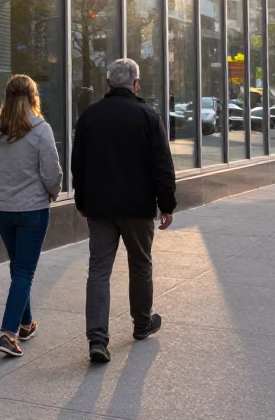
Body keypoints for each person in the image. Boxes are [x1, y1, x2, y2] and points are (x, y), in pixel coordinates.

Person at [72, 58, 176, 365]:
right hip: (138, 208)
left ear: (107, 84)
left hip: (100, 208)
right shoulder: (147, 115)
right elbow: (162, 165)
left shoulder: (90, 116)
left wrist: (82, 202)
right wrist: (166, 204)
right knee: (141, 264)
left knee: (99, 270)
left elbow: (78, 165)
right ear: (135, 84)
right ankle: (142, 324)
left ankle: (97, 338)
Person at [0, 75, 62, 358]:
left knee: (18, 268)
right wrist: (53, 192)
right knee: (25, 270)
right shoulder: (41, 129)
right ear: (33, 96)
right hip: (32, 209)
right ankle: (8, 333)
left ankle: (25, 325)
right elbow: (52, 173)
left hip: (2, 209)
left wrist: (4, 187)